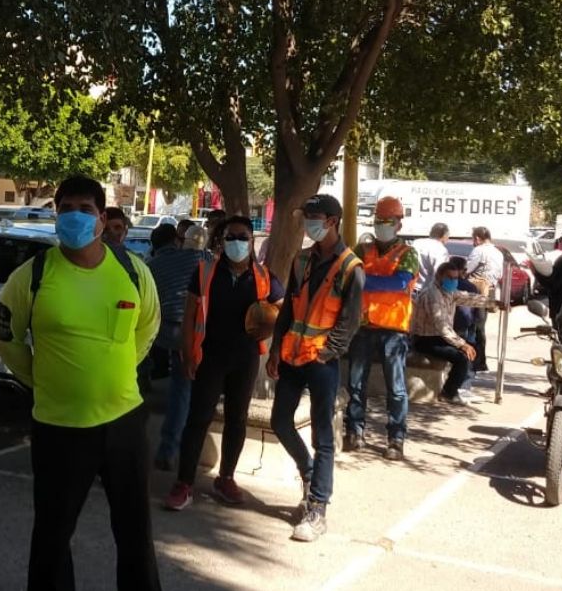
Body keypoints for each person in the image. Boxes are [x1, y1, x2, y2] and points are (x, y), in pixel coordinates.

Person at [0, 176, 172, 591]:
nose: (74, 216)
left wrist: (116, 372)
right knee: (53, 529)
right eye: (66, 207)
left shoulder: (133, 271)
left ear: (102, 218)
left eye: (85, 208)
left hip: (124, 421)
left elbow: (147, 329)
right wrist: (40, 381)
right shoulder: (31, 276)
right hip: (59, 424)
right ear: (56, 214)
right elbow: (6, 338)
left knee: (134, 524)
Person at [164, 217, 282, 510]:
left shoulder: (264, 277)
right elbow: (190, 315)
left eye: (243, 237)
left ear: (252, 241)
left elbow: (281, 310)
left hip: (245, 359)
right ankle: (184, 483)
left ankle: (226, 478)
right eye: (231, 237)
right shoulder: (205, 272)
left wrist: (270, 328)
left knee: (237, 419)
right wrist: (187, 352)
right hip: (210, 357)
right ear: (221, 240)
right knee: (198, 418)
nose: (236, 243)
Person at [267, 194, 364, 543]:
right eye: (306, 217)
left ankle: (318, 508)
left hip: (321, 362)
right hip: (293, 356)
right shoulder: (302, 260)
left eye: (314, 217)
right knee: (280, 422)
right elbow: (288, 310)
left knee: (323, 437)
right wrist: (275, 349)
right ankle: (308, 473)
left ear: (332, 221)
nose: (309, 224)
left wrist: (328, 352)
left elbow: (351, 320)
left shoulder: (351, 267)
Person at [343, 196, 419, 459]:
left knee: (396, 388)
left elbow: (399, 283)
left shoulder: (408, 254)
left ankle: (396, 439)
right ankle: (354, 432)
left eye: (388, 221)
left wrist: (364, 279)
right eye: (379, 220)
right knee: (355, 383)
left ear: (399, 224)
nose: (382, 225)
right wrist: (366, 279)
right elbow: (348, 274)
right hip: (363, 325)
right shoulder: (362, 249)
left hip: (394, 329)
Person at [147, 223, 207, 470]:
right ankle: (174, 450)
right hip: (197, 333)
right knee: (188, 393)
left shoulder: (151, 265)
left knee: (180, 390)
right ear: (176, 241)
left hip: (165, 334)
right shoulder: (201, 259)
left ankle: (168, 449)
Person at [411, 260, 497, 404]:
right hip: (425, 339)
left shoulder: (448, 292)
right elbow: (442, 326)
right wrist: (462, 344)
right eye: (449, 278)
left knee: (471, 349)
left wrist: (493, 303)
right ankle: (448, 393)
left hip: (438, 336)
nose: (453, 281)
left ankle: (458, 388)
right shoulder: (433, 295)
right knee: (461, 357)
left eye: (455, 278)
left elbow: (467, 297)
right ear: (439, 276)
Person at [465, 226, 503, 373]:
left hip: (476, 292)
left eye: (473, 239)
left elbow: (467, 269)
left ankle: (473, 361)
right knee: (480, 327)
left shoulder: (478, 251)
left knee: (471, 327)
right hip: (489, 291)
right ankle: (481, 362)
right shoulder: (498, 253)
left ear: (477, 238)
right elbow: (499, 275)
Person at [413, 223, 450, 293]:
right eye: (448, 236)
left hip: (410, 288)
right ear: (444, 236)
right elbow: (439, 273)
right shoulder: (441, 250)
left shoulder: (416, 243)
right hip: (426, 291)